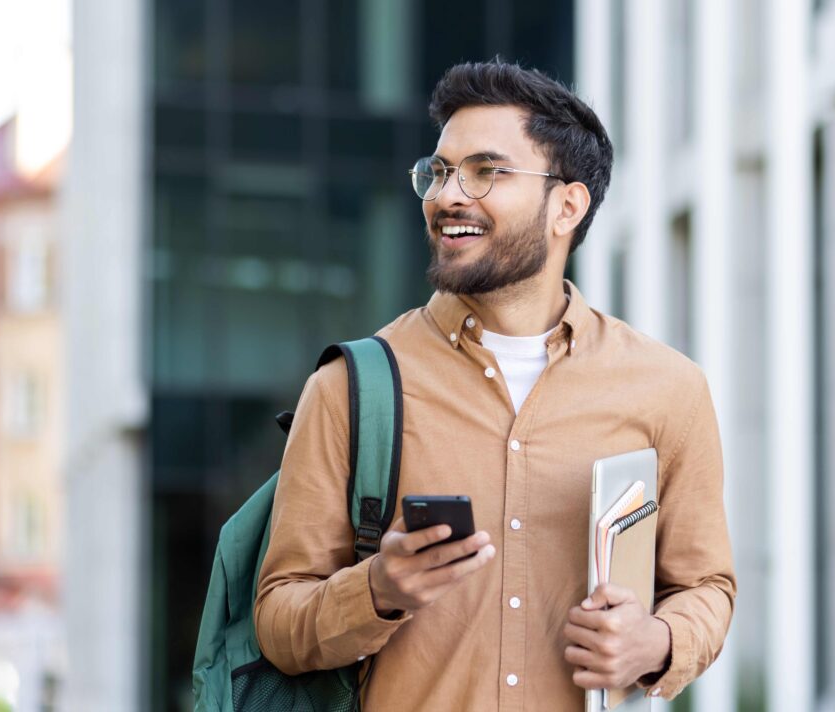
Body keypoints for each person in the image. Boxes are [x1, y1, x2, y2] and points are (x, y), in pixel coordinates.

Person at [254, 60, 736, 711]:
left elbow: (706, 584)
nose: (448, 195)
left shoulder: (667, 388)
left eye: (486, 172)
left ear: (567, 205)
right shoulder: (352, 387)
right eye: (441, 171)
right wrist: (377, 589)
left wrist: (657, 641)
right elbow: (279, 622)